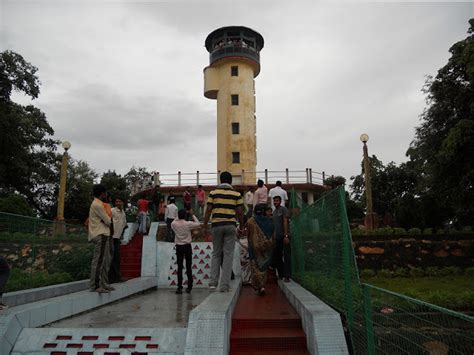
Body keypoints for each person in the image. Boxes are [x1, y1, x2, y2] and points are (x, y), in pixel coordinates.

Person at [203, 171, 244, 292]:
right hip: (230, 225)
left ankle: (212, 283)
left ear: (221, 181)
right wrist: (241, 227)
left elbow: (208, 210)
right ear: (230, 181)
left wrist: (205, 225)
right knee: (228, 255)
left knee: (216, 253)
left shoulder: (213, 193)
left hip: (216, 225)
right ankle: (224, 286)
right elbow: (240, 212)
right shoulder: (236, 194)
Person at [88, 184, 114, 293]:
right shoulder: (97, 205)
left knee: (105, 261)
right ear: (102, 193)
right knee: (99, 261)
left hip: (103, 234)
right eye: (105, 193)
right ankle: (95, 286)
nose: (106, 195)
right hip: (100, 234)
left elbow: (107, 220)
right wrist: (107, 220)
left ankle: (104, 283)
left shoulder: (99, 204)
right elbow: (108, 221)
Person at [247, 204, 275, 295]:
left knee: (255, 266)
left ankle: (259, 286)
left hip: (254, 248)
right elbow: (272, 233)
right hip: (266, 248)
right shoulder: (269, 221)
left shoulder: (251, 221)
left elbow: (248, 234)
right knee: (264, 266)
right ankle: (263, 285)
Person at [171, 209, 201, 294]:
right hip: (187, 246)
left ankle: (179, 287)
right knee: (188, 267)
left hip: (179, 247)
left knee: (179, 267)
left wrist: (178, 216)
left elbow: (174, 221)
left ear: (178, 215)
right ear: (185, 216)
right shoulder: (188, 224)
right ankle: (189, 287)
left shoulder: (174, 224)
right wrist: (192, 215)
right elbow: (198, 224)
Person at [272, 196, 291, 282]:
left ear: (280, 201)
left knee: (286, 256)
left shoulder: (283, 209)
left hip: (284, 236)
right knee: (277, 256)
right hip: (277, 238)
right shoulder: (274, 212)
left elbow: (285, 222)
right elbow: (275, 226)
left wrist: (286, 235)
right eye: (274, 201)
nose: (275, 202)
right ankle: (281, 274)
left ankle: (287, 276)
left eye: (277, 201)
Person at [109, 197, 127, 284]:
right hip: (111, 237)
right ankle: (110, 278)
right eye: (116, 201)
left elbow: (124, 224)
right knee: (111, 258)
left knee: (117, 258)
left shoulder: (123, 213)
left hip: (117, 238)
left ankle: (116, 277)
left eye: (120, 201)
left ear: (123, 202)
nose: (118, 203)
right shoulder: (112, 210)